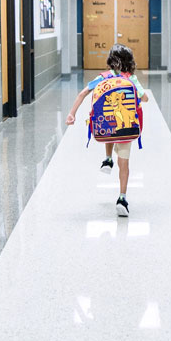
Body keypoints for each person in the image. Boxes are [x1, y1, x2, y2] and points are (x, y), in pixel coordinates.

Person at [66, 44, 149, 217]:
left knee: (108, 126)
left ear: (111, 61)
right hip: (127, 128)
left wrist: (71, 114)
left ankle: (108, 158)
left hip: (106, 128)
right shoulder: (131, 78)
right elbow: (145, 98)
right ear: (129, 62)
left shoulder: (102, 77)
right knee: (124, 163)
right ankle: (122, 198)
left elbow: (82, 94)